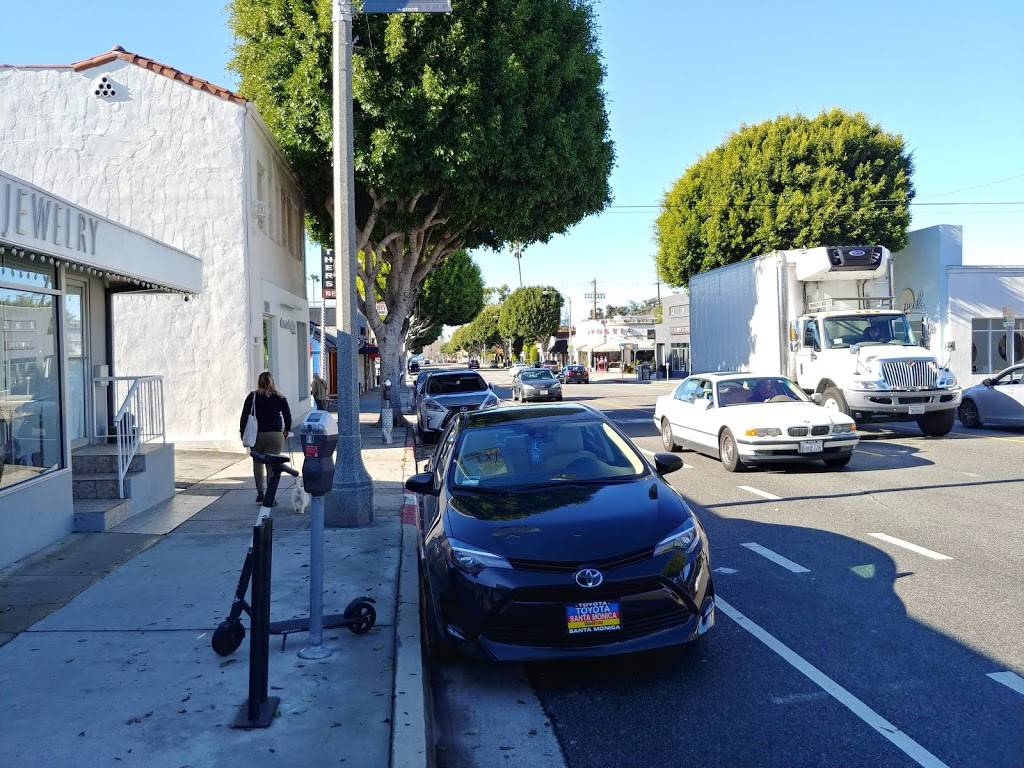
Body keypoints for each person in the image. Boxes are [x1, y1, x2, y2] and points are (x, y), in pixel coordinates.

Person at [239, 371, 292, 505]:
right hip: (275, 436)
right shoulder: (280, 397)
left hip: (257, 435)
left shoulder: (252, 396)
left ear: (259, 382)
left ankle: (260, 493)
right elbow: (288, 416)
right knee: (272, 465)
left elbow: (244, 416)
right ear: (272, 382)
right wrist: (286, 431)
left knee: (257, 462)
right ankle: (270, 495)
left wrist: (243, 433)